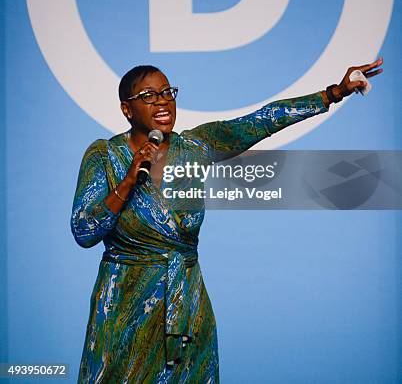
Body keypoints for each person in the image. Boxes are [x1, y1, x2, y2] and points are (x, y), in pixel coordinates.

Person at [71, 57, 383, 383]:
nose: (163, 101)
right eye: (148, 96)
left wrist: (334, 93)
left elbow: (261, 121)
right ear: (127, 109)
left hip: (185, 304)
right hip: (123, 307)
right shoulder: (104, 156)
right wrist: (128, 181)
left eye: (167, 92)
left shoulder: (196, 147)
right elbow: (84, 231)